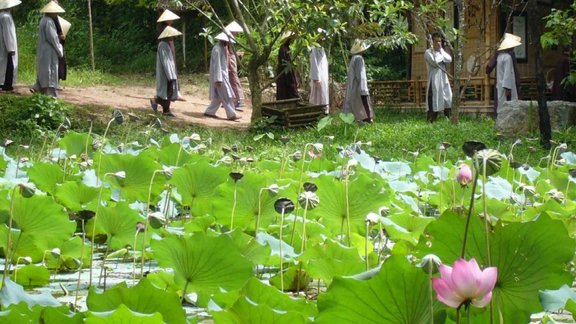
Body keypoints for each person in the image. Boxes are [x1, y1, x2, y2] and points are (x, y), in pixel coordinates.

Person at [31, 0, 65, 97]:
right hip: (49, 51)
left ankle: (40, 89)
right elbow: (52, 38)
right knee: (50, 74)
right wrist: (60, 50)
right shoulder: (49, 22)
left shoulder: (44, 20)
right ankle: (51, 97)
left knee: (45, 72)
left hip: (44, 50)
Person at [204, 32, 240, 121]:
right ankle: (232, 114)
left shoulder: (222, 48)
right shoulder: (217, 49)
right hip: (220, 76)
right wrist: (218, 79)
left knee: (219, 96)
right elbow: (217, 65)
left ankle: (210, 111)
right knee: (226, 95)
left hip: (223, 75)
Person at [486, 33, 521, 114]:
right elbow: (507, 74)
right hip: (507, 84)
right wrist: (508, 87)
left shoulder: (499, 56)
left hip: (500, 83)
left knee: (501, 103)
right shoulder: (508, 57)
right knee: (510, 104)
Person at [154, 9, 185, 102]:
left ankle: (172, 93)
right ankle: (165, 96)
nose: (172, 21)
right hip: (165, 51)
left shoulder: (166, 28)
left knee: (171, 71)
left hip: (168, 49)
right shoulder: (164, 30)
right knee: (167, 75)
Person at [150, 26, 181, 117]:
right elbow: (166, 61)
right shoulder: (163, 45)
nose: (174, 37)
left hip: (169, 73)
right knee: (168, 92)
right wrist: (170, 76)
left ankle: (161, 105)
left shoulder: (166, 44)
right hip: (166, 73)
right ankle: (165, 110)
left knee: (168, 92)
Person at [424, 32, 452, 122]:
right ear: (432, 42)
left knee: (447, 97)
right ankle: (431, 120)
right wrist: (441, 56)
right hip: (434, 79)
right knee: (434, 98)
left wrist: (441, 51)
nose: (438, 43)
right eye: (436, 41)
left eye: (440, 41)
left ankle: (448, 117)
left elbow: (449, 59)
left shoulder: (441, 51)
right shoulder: (428, 52)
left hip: (443, 78)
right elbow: (434, 62)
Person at [343, 39, 373, 123]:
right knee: (363, 102)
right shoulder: (359, 58)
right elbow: (360, 74)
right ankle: (367, 119)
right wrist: (363, 88)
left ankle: (357, 119)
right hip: (359, 85)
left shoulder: (353, 58)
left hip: (354, 85)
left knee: (355, 103)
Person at [0, 0, 20, 92]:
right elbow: (8, 33)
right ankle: (6, 85)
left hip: (3, 44)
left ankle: (3, 83)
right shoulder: (6, 17)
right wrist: (10, 47)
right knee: (8, 65)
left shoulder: (2, 15)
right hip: (6, 45)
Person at [224, 21, 245, 110]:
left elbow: (230, 51)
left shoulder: (230, 38)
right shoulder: (228, 37)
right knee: (232, 79)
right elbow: (227, 51)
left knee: (234, 79)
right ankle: (236, 99)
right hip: (230, 59)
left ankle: (238, 99)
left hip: (231, 58)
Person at [309, 28, 329, 113]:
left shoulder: (322, 48)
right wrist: (316, 78)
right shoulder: (314, 48)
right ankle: (315, 112)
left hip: (323, 75)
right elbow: (314, 63)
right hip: (318, 77)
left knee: (323, 94)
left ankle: (324, 111)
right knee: (317, 96)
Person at [276, 31, 299, 100]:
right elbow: (285, 63)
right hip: (284, 74)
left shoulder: (287, 48)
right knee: (286, 92)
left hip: (287, 72)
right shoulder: (283, 48)